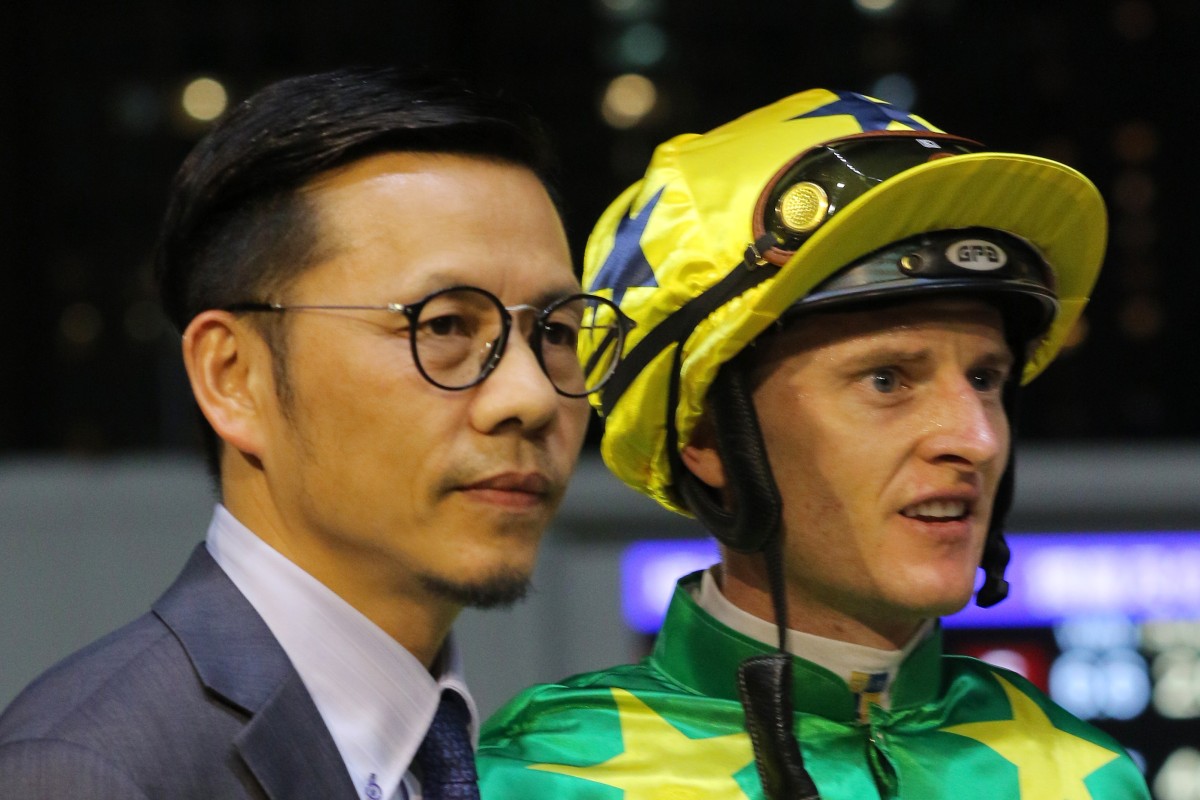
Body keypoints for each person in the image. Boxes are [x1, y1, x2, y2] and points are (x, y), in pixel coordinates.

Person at [477, 89, 1151, 798]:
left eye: (985, 378)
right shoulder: (541, 779)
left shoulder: (1089, 775)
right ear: (707, 437)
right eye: (888, 380)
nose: (976, 440)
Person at [0, 67, 633, 799]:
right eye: (446, 325)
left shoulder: (492, 755)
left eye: (555, 331)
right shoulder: (86, 772)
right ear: (233, 376)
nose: (528, 396)